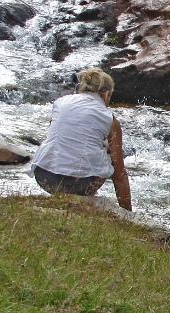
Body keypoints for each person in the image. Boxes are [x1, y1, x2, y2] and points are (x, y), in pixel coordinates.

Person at [30, 68, 132, 211]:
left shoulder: (60, 103)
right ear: (106, 94)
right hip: (81, 185)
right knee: (110, 153)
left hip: (45, 177)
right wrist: (127, 213)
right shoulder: (109, 118)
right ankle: (84, 199)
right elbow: (119, 174)